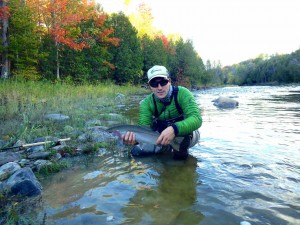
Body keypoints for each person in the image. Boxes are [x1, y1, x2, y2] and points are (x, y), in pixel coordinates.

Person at [123, 65, 202, 160]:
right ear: (149, 85)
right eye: (154, 83)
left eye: (163, 82)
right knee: (137, 153)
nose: (159, 87)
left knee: (180, 155)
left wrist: (174, 129)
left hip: (185, 135)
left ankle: (181, 163)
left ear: (169, 81)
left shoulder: (183, 93)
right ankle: (165, 151)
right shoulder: (146, 104)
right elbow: (144, 129)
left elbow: (196, 119)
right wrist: (135, 140)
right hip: (158, 136)